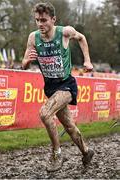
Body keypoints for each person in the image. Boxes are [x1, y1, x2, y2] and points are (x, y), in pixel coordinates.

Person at [22, 2, 94, 172]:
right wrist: (28, 61)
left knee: (45, 113)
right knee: (69, 126)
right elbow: (24, 64)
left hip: (66, 85)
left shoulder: (65, 32)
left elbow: (82, 38)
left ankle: (57, 153)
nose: (40, 24)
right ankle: (86, 151)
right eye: (37, 20)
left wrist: (87, 60)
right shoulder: (33, 38)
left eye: (44, 20)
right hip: (51, 88)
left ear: (53, 19)